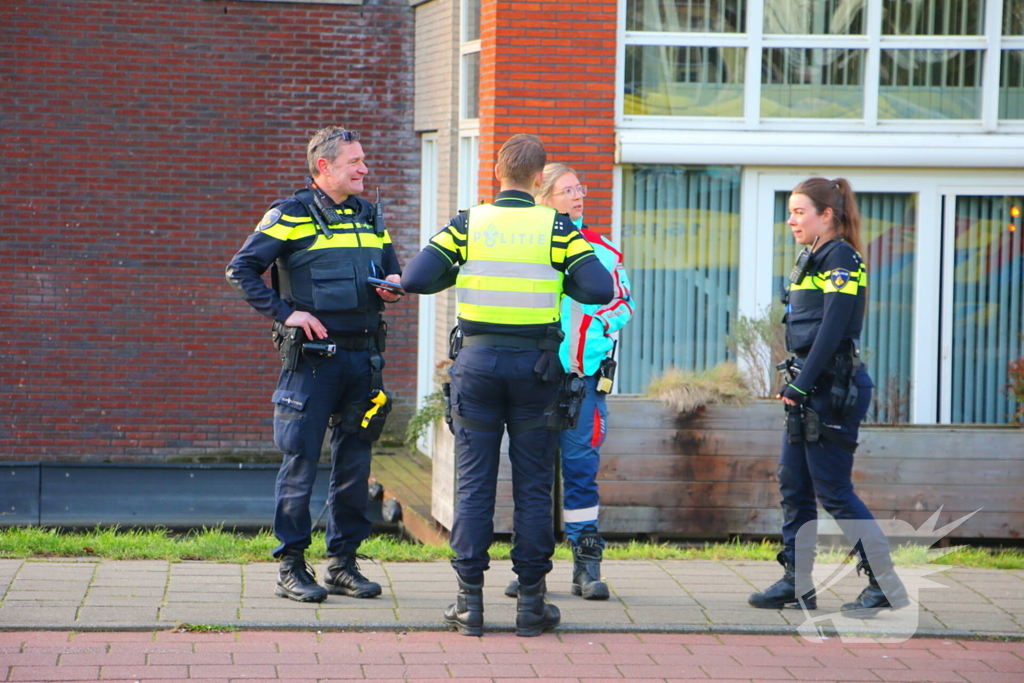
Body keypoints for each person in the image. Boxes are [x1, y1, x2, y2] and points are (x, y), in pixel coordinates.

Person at [402, 134, 614, 637]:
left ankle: (468, 604)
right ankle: (531, 606)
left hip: (475, 366)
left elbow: (414, 278)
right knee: (533, 487)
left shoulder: (469, 223)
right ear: (540, 179)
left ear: (496, 175)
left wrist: (460, 270)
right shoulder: (557, 227)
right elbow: (600, 288)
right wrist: (560, 277)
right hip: (536, 370)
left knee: (473, 486)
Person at [225, 125, 403, 603]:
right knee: (300, 462)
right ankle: (291, 566)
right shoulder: (289, 213)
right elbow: (240, 269)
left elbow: (391, 266)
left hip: (364, 357)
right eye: (354, 162)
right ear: (324, 167)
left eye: (364, 160)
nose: (365, 169)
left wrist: (392, 281)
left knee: (354, 463)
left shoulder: (370, 214)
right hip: (312, 362)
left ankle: (342, 565)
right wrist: (288, 313)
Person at [747, 177, 909, 617]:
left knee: (833, 491)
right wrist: (799, 383)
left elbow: (833, 327)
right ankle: (797, 583)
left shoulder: (841, 257)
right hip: (811, 388)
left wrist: (802, 385)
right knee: (794, 483)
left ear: (827, 215)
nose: (792, 219)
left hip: (832, 390)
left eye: (800, 211)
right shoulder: (815, 256)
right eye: (791, 211)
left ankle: (885, 585)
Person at [502, 164, 634, 601]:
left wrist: (592, 327)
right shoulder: (528, 246)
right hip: (532, 379)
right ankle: (530, 571)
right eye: (567, 190)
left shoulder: (604, 251)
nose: (578, 196)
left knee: (581, 474)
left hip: (582, 381)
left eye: (580, 188)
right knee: (533, 476)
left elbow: (624, 304)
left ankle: (586, 565)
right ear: (544, 196)